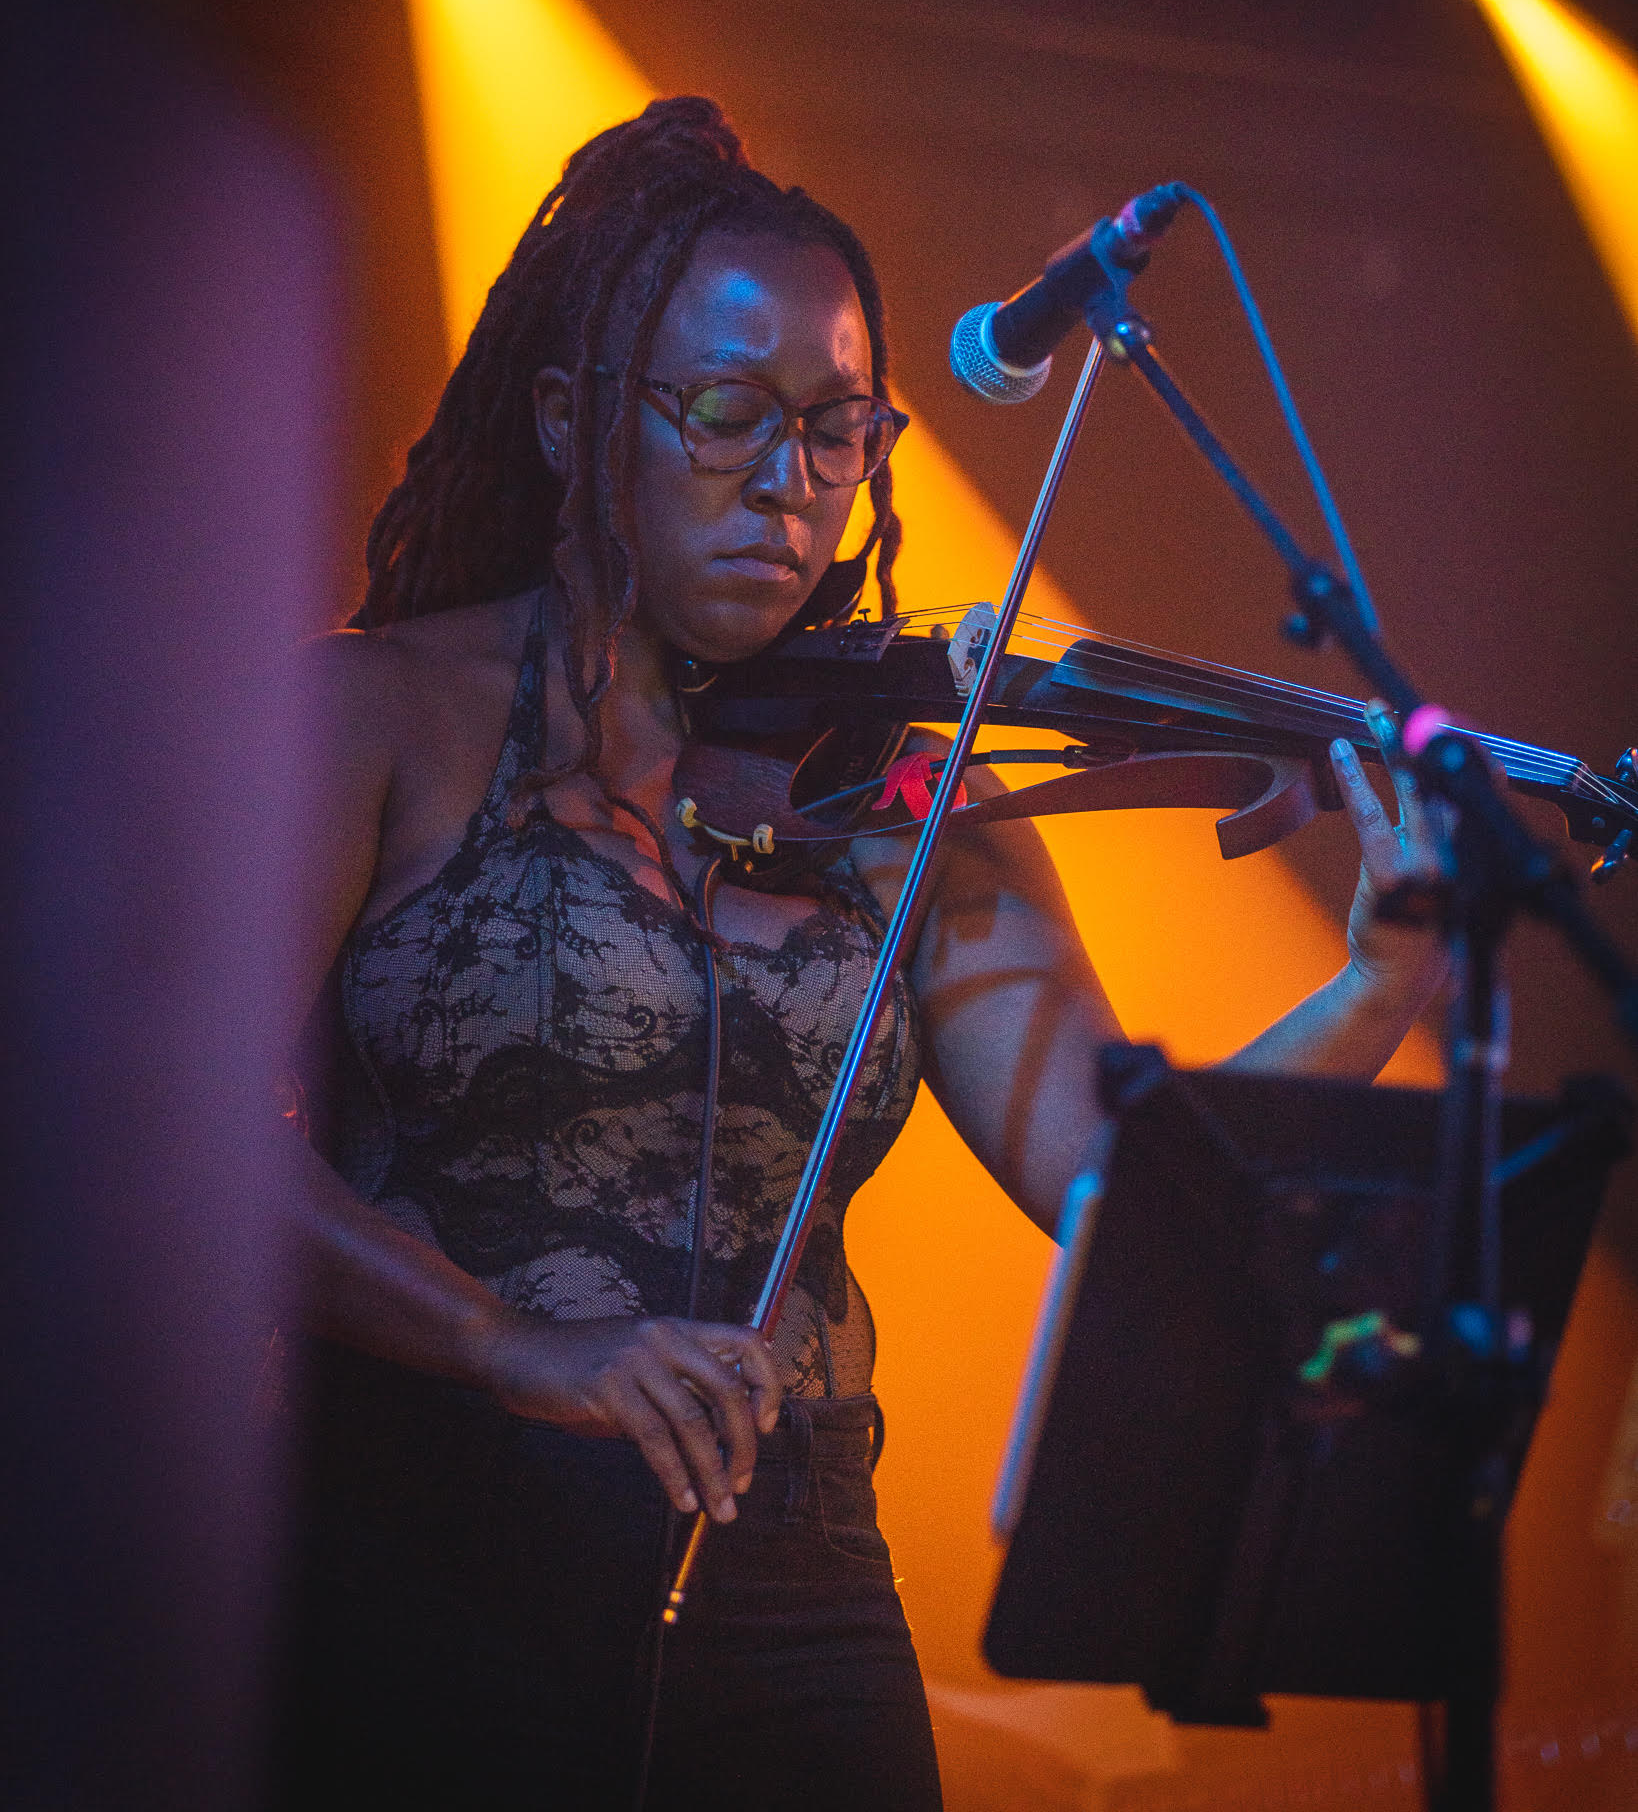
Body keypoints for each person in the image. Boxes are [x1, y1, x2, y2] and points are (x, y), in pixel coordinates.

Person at [274, 96, 1447, 1811]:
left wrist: (1377, 985)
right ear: (570, 419)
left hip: (794, 1571)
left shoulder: (906, 798)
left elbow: (1120, 1186)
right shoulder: (375, 714)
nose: (791, 484)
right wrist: (503, 1341)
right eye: (728, 414)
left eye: (838, 429)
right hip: (427, 1536)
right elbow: (160, 1138)